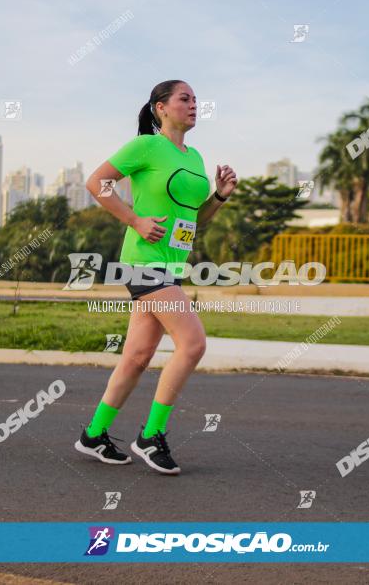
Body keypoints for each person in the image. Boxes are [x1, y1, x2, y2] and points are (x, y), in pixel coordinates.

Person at [74, 80, 238, 474]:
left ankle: (94, 434)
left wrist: (218, 196)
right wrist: (134, 219)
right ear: (160, 108)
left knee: (136, 357)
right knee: (193, 343)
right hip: (144, 261)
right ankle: (151, 435)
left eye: (196, 99)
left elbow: (193, 221)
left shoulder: (195, 156)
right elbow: (96, 183)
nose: (194, 105)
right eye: (185, 99)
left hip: (171, 266)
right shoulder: (145, 146)